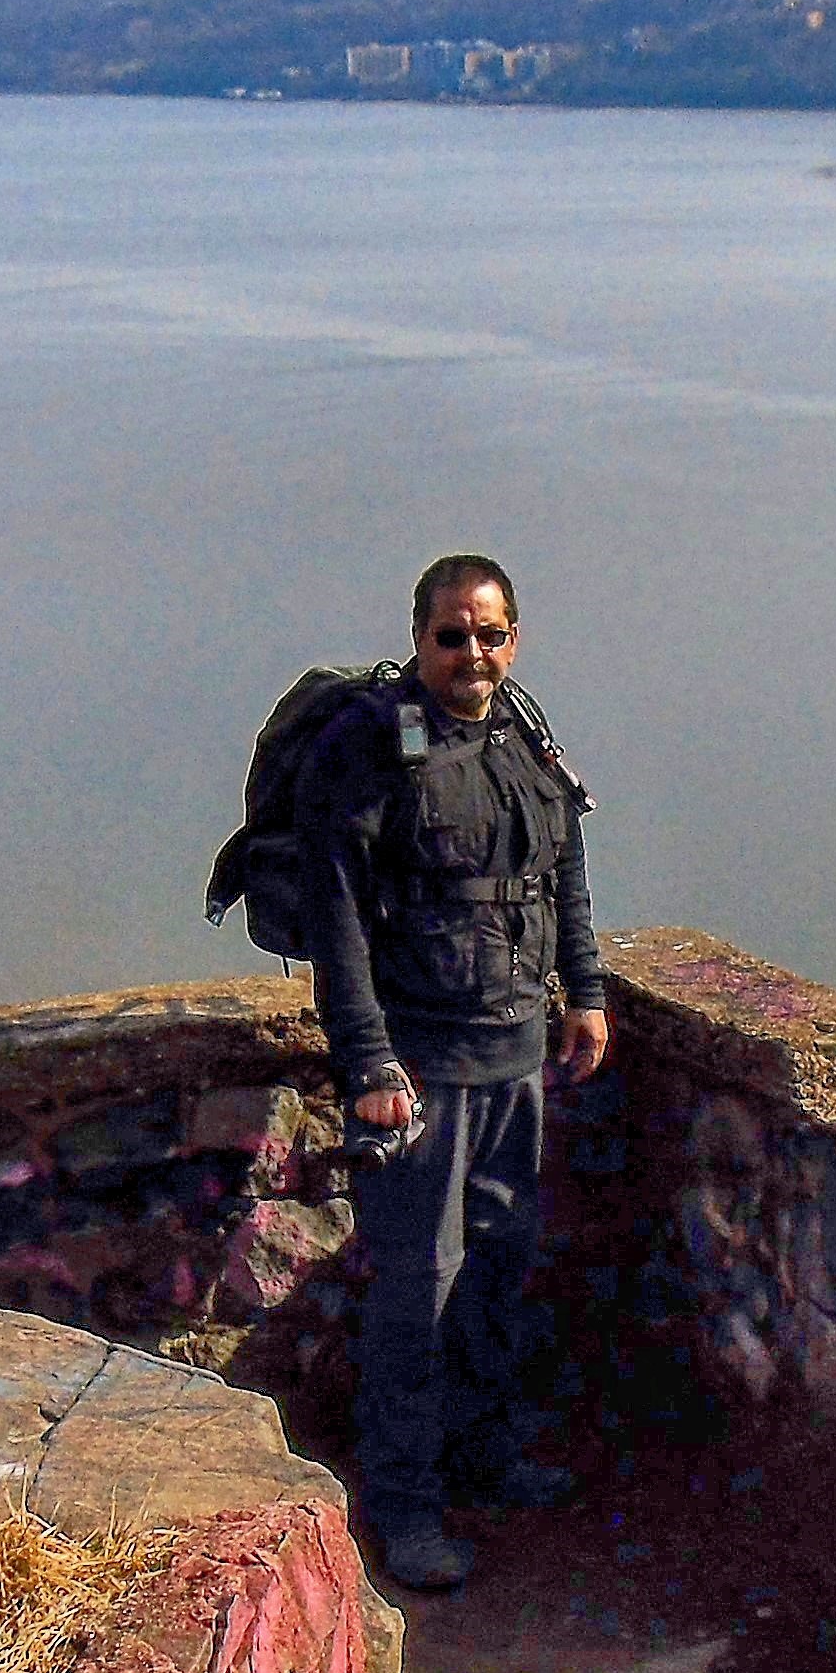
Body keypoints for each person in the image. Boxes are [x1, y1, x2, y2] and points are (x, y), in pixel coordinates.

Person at [293, 552, 609, 1596]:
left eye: (490, 633)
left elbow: (559, 869)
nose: (472, 653)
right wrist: (368, 1060)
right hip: (421, 1067)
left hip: (517, 1053)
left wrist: (588, 991)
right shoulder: (368, 747)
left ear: (513, 638)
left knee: (496, 1271)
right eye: (451, 635)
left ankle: (487, 1456)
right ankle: (405, 1508)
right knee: (414, 1292)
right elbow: (336, 917)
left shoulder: (522, 729)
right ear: (420, 638)